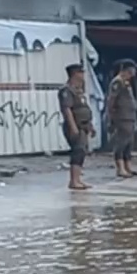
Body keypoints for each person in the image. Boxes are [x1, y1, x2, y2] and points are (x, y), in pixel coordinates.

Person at [57, 63, 94, 191]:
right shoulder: (66, 91)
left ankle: (78, 179)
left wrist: (90, 125)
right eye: (81, 72)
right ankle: (73, 181)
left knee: (82, 151)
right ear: (75, 74)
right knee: (77, 151)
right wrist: (73, 127)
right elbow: (67, 110)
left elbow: (84, 109)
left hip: (83, 125)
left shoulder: (78, 90)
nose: (83, 75)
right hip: (75, 126)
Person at [106, 59, 137, 179]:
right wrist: (111, 117)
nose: (135, 72)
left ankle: (128, 167)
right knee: (121, 142)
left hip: (129, 117)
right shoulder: (117, 82)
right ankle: (120, 168)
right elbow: (111, 101)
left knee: (129, 143)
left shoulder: (126, 83)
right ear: (127, 70)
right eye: (133, 69)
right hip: (121, 118)